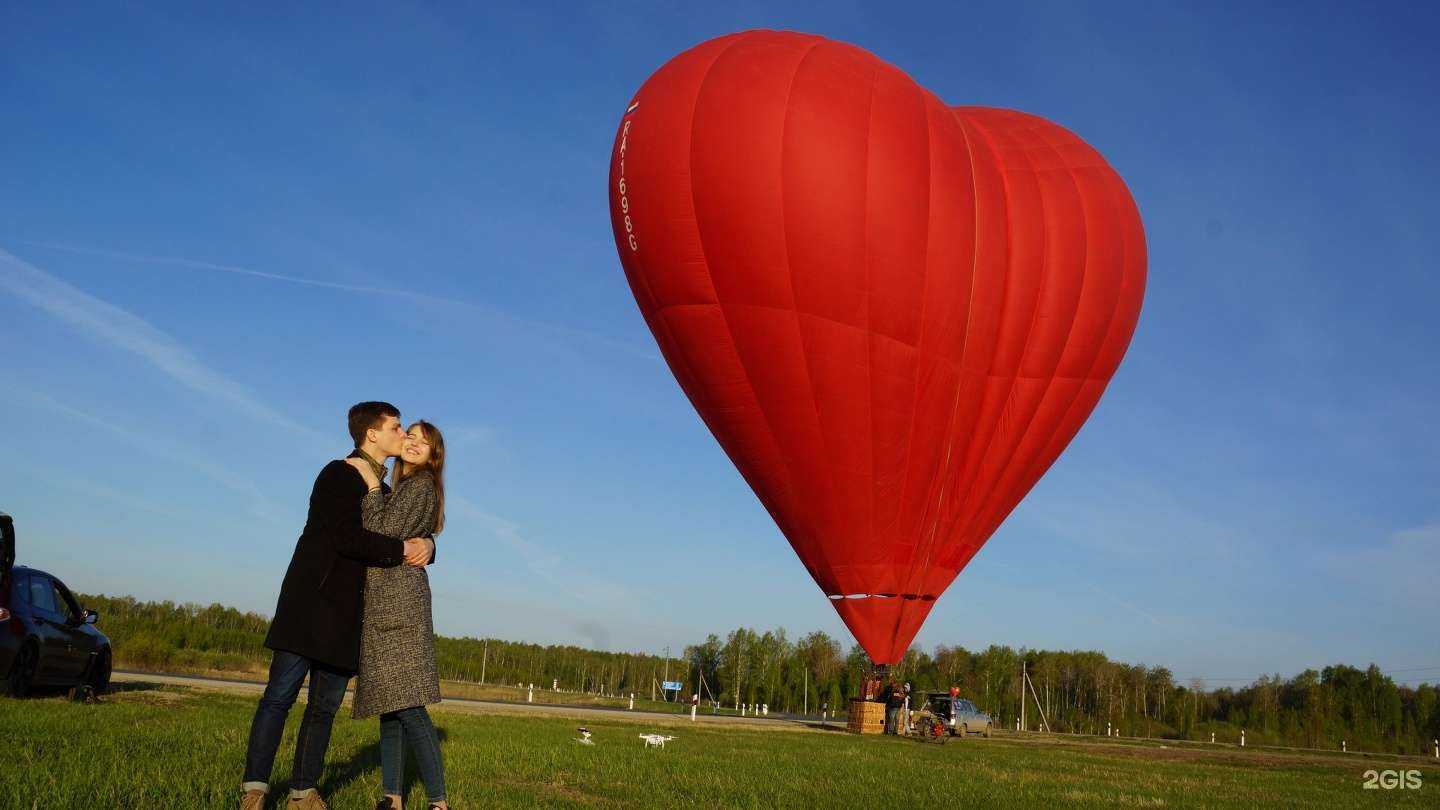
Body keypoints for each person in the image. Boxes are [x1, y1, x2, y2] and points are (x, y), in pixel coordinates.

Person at [240, 402, 435, 810]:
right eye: (397, 428)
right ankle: (255, 790)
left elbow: (404, 524)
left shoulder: (383, 490)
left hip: (348, 618)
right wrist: (402, 549)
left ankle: (302, 792)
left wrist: (429, 547)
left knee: (323, 709)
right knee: (278, 697)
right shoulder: (338, 473)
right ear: (373, 435)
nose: (404, 435)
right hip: (310, 605)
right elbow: (347, 537)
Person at [349, 421, 449, 810]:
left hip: (400, 606)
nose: (414, 443)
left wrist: (371, 488)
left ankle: (439, 802)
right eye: (410, 435)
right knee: (389, 707)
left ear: (432, 455)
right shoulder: (405, 488)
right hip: (385, 603)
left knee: (408, 704)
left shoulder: (421, 485)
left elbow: (381, 531)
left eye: (424, 442)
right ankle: (392, 796)